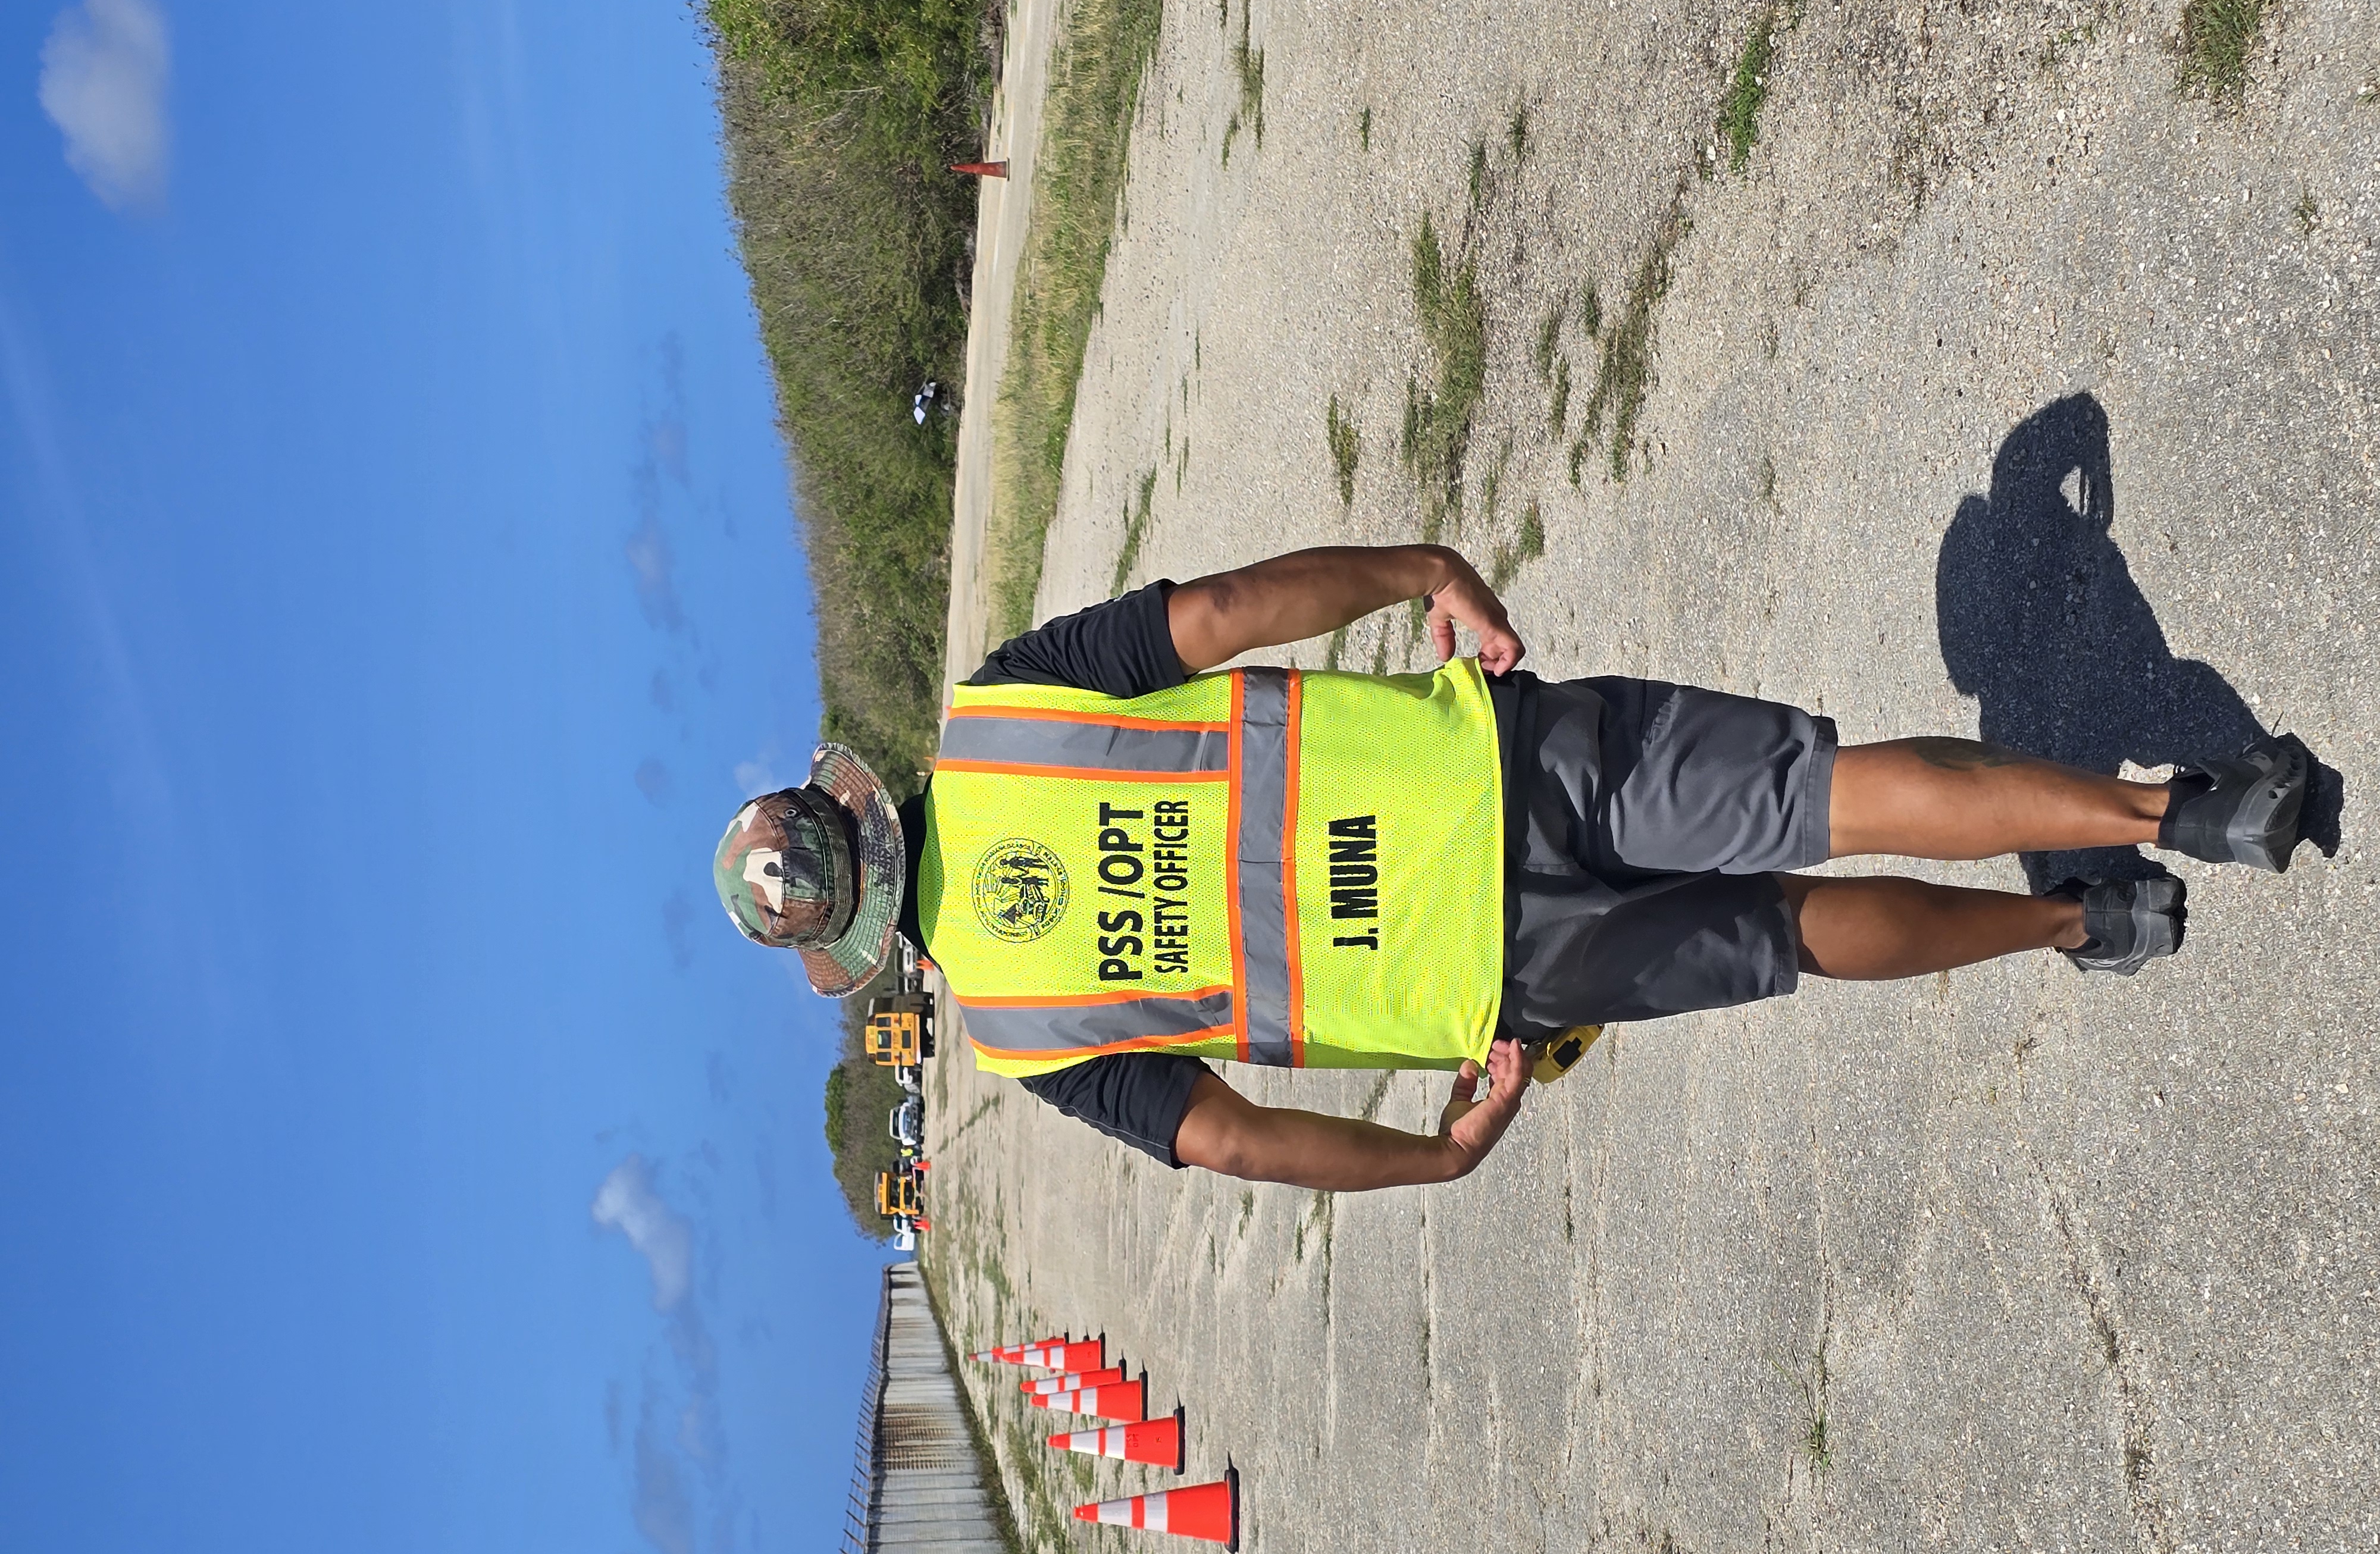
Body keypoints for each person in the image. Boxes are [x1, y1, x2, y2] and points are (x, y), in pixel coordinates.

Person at [713, 546, 2310, 1192]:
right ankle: (2184, 817)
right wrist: (1425, 569)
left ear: (858, 939)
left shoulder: (1023, 1034)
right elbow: (1226, 617)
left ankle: (2073, 922)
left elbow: (1240, 1140)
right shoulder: (996, 712)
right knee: (1820, 797)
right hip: (1489, 765)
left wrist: (1439, 1158)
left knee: (1795, 933)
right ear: (857, 807)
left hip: (1481, 982)